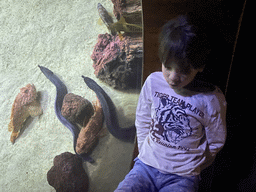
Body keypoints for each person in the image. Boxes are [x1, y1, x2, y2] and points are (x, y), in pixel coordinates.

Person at [114, 15, 227, 192]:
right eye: (167, 66)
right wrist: (145, 151)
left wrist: (194, 167)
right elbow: (143, 118)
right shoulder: (153, 82)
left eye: (183, 71)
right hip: (145, 167)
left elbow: (216, 141)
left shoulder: (211, 100)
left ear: (199, 66)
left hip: (182, 177)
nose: (173, 77)